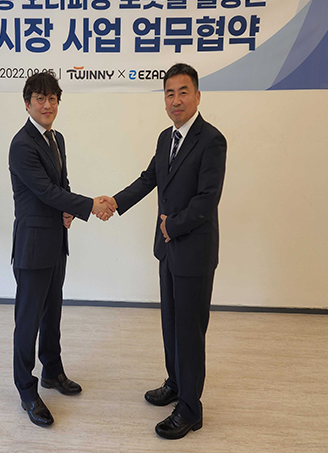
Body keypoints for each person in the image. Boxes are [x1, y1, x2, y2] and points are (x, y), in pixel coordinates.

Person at [101, 63, 227, 439]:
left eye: (183, 92)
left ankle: (190, 409)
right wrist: (115, 202)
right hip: (168, 251)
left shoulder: (212, 140)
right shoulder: (164, 138)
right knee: (171, 324)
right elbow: (149, 179)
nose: (176, 100)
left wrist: (171, 226)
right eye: (169, 93)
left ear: (198, 96)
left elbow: (207, 199)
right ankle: (175, 383)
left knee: (190, 331)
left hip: (194, 252)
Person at [8, 71, 115, 427]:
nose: (47, 105)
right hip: (33, 245)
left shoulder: (57, 139)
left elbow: (60, 185)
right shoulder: (22, 144)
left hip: (56, 242)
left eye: (52, 98)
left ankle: (52, 371)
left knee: (52, 312)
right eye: (40, 98)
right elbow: (44, 190)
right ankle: (26, 389)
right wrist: (89, 205)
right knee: (28, 320)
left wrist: (68, 209)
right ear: (27, 104)